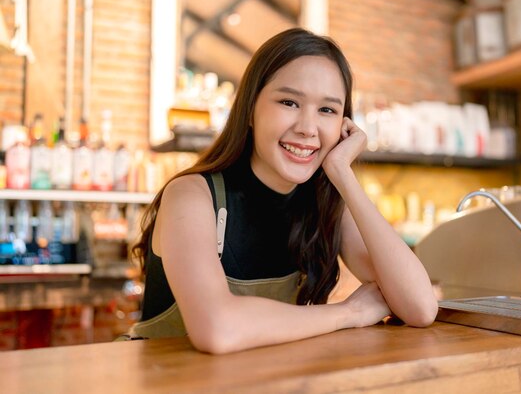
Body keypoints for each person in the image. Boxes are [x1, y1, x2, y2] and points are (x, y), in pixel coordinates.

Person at [127, 28, 438, 354]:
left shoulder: (325, 201)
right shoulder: (191, 195)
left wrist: (343, 175)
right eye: (289, 102)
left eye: (327, 110)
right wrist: (349, 313)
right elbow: (217, 328)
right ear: (249, 109)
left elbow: (420, 307)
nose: (307, 128)